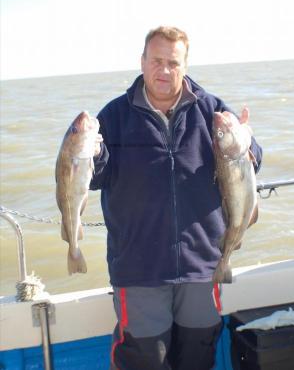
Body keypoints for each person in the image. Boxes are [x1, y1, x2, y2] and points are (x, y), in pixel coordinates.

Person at [90, 26, 262, 370]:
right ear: (142, 62)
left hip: (203, 266)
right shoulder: (112, 117)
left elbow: (249, 160)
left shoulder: (211, 110)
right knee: (144, 361)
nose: (164, 70)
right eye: (156, 61)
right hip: (139, 269)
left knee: (198, 358)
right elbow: (94, 178)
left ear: (185, 65)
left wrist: (249, 143)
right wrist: (87, 155)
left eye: (173, 62)